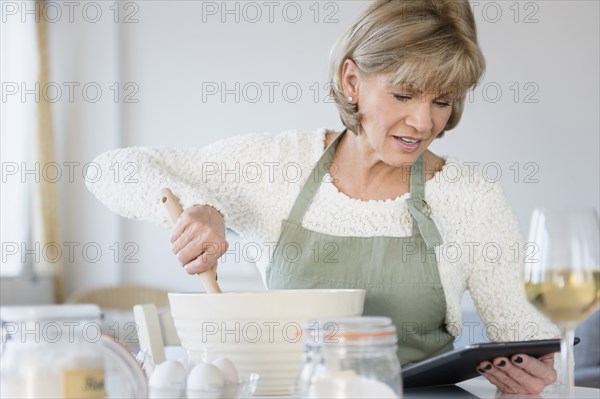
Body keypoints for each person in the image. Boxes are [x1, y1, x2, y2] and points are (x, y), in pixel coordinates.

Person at [87, 0, 560, 394]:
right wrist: (200, 206)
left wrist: (532, 380)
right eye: (403, 95)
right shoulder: (277, 165)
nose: (424, 123)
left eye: (442, 101)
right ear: (351, 81)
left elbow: (532, 345)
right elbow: (109, 168)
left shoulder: (470, 196)